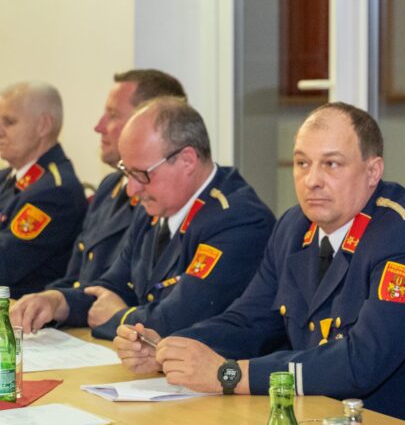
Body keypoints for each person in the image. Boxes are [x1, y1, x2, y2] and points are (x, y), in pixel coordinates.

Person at [113, 103, 405, 425]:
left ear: (372, 171)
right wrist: (170, 348)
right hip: (320, 411)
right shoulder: (294, 227)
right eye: (302, 163)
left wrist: (229, 374)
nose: (312, 181)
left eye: (331, 164)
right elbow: (250, 321)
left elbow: (359, 362)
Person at [11, 96, 275, 340]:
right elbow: (112, 285)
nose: (131, 189)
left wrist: (121, 317)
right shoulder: (156, 205)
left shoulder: (237, 220)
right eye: (127, 173)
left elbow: (178, 319)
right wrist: (59, 302)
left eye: (141, 174)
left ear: (187, 160)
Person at [16, 71, 187, 309]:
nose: (99, 126)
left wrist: (60, 303)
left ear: (145, 124)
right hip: (83, 320)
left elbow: (125, 292)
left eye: (113, 115)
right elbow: (76, 278)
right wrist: (49, 300)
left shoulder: (164, 199)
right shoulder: (110, 187)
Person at [0, 82, 87, 297]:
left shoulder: (56, 191)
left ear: (43, 126)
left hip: (18, 310)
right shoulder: (8, 177)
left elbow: (5, 265)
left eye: (9, 122)